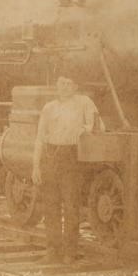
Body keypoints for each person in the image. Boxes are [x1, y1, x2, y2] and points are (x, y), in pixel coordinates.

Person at [31, 76, 99, 264]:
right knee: (50, 206)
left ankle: (70, 252)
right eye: (62, 83)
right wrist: (36, 166)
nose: (65, 87)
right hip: (50, 157)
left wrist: (83, 129)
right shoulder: (49, 107)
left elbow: (94, 125)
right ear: (56, 86)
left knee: (71, 206)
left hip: (71, 157)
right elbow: (39, 138)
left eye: (70, 83)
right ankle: (52, 251)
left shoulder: (84, 102)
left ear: (76, 86)